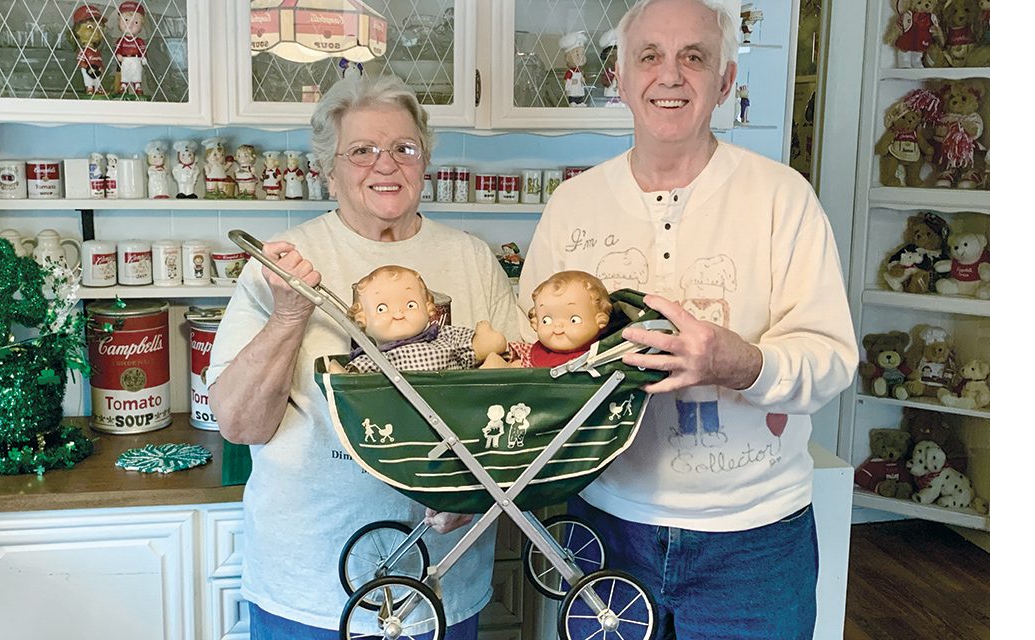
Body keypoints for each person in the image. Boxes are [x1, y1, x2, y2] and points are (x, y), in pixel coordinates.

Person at [516, 0, 858, 637]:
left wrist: (740, 362)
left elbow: (832, 360)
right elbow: (533, 358)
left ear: (725, 81)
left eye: (693, 58)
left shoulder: (783, 197)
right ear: (619, 79)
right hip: (603, 522)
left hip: (755, 541)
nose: (669, 75)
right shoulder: (573, 204)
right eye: (649, 56)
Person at [206, 74, 521, 640]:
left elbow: (522, 398)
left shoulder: (472, 260)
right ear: (329, 171)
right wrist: (287, 317)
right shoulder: (284, 262)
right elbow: (239, 423)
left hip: (444, 579)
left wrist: (476, 494)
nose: (386, 165)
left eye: (404, 148)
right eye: (361, 151)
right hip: (308, 589)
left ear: (424, 164)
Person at [334, 265, 507, 373]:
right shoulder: (377, 359)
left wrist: (482, 344)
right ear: (362, 320)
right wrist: (346, 376)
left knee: (487, 361)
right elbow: (356, 381)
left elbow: (463, 344)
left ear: (429, 309)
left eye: (410, 305)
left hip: (455, 398)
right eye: (382, 308)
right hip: (405, 407)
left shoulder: (441, 337)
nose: (398, 312)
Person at [485, 270, 612, 369]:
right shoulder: (531, 354)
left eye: (574, 319)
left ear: (600, 320)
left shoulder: (602, 356)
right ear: (535, 323)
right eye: (546, 320)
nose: (557, 326)